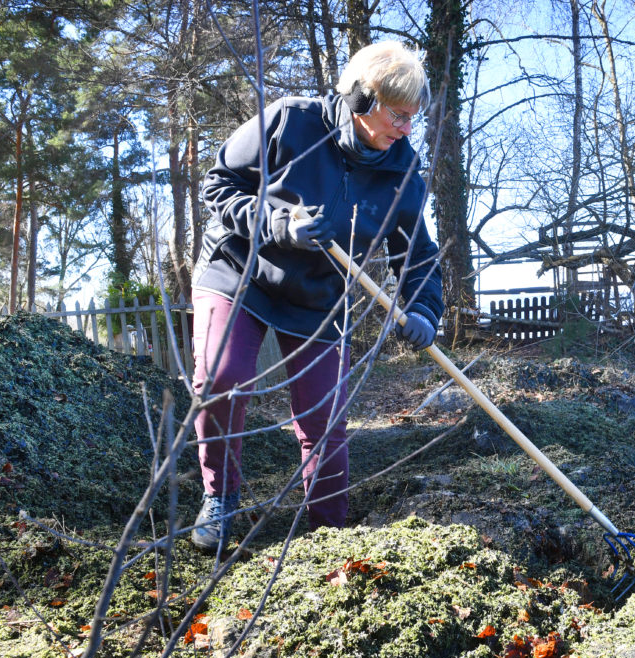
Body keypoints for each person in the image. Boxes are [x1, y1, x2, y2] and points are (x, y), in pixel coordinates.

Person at [190, 40, 444, 551]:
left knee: (324, 416)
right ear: (361, 98)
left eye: (414, 118)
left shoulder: (401, 173)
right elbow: (217, 187)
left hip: (320, 297)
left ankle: (329, 533)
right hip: (241, 268)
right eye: (398, 114)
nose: (406, 129)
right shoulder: (291, 123)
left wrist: (422, 307)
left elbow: (417, 252)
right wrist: (278, 223)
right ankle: (221, 496)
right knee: (222, 375)